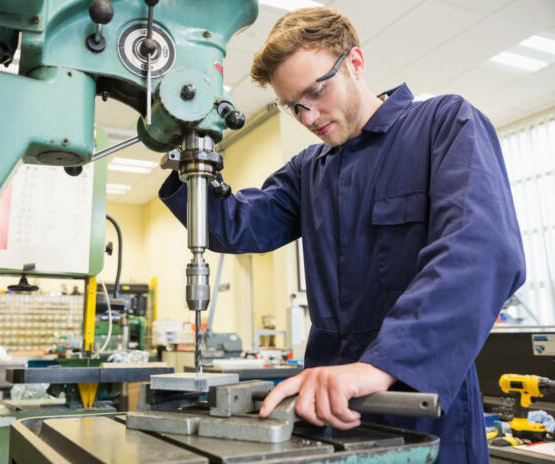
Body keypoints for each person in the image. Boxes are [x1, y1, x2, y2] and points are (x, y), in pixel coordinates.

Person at [159, 6, 525, 463]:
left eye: (316, 91)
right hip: (327, 406)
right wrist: (184, 151)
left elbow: (481, 249)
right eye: (294, 106)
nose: (309, 117)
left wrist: (381, 363)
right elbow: (234, 224)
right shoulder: (308, 171)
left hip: (425, 403)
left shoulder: (443, 125)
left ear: (355, 62)